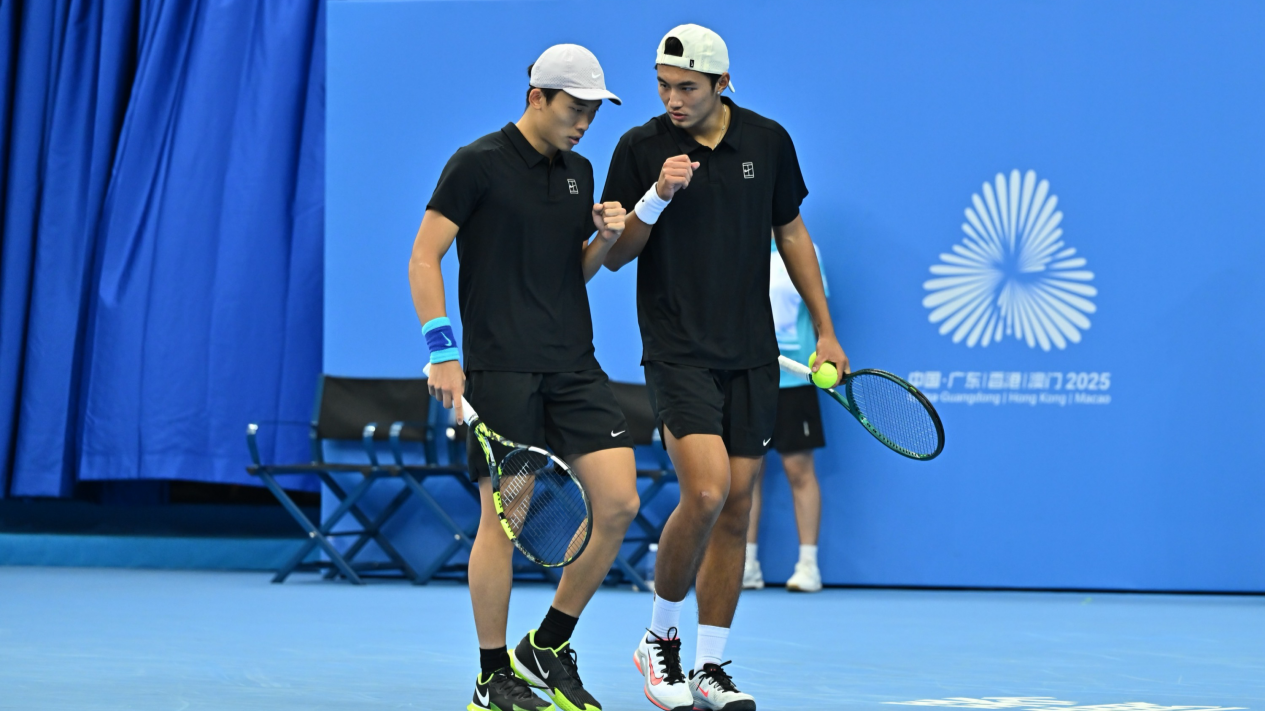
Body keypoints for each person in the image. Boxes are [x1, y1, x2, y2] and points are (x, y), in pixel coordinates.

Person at [601, 24, 849, 711]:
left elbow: (790, 233)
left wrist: (826, 331)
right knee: (707, 492)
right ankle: (658, 639)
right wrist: (656, 195)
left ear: (721, 84)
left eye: (686, 87)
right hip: (677, 349)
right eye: (663, 86)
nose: (672, 100)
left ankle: (709, 665)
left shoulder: (768, 142)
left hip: (753, 353)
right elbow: (616, 255)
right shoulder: (640, 148)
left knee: (737, 507)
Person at [408, 44, 638, 711]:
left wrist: (603, 240)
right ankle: (491, 675)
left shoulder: (580, 173)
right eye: (575, 109)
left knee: (618, 504)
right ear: (537, 97)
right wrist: (442, 350)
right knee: (506, 519)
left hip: (574, 364)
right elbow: (424, 257)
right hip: (500, 367)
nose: (584, 124)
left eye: (593, 113)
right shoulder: (475, 163)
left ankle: (547, 643)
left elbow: (573, 273)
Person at [743, 239, 832, 594]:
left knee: (799, 471)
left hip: (795, 376)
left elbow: (818, 308)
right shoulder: (738, 244)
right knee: (747, 473)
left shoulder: (803, 248)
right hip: (749, 374)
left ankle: (808, 566)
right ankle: (746, 565)